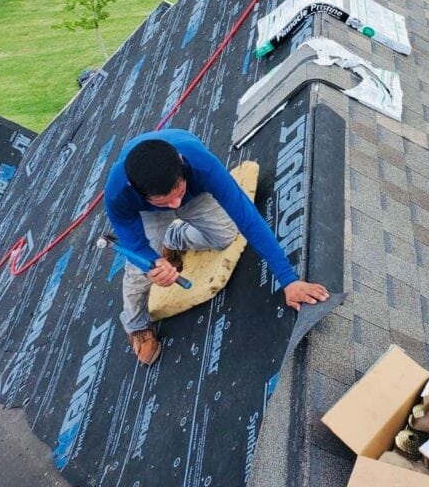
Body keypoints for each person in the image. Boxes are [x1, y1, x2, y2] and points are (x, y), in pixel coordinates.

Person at [104, 130, 330, 365]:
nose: (175, 206)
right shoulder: (118, 193)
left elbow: (248, 219)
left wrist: (288, 279)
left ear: (181, 163)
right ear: (136, 190)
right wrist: (152, 264)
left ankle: (172, 237)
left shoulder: (202, 164)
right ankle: (137, 326)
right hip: (148, 214)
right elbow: (134, 245)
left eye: (177, 194)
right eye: (166, 202)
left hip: (196, 190)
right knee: (138, 272)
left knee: (226, 235)